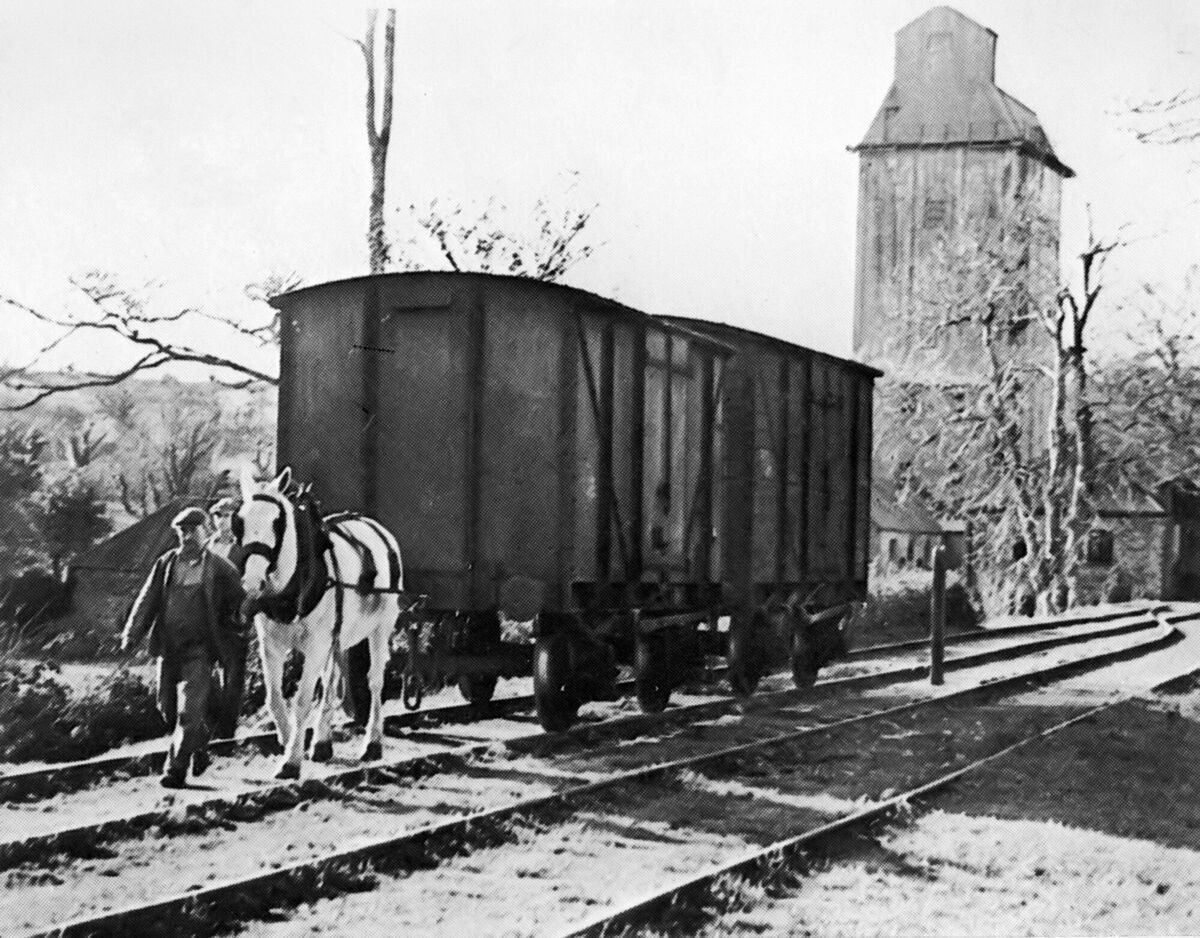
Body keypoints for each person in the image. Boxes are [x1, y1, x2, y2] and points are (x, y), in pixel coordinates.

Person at [121, 507, 246, 788]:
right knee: (166, 708)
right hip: (169, 649)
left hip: (200, 651)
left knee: (188, 711)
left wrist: (239, 620)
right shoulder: (166, 563)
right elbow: (147, 599)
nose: (187, 536)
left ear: (205, 531)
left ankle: (175, 769)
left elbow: (241, 604)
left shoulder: (220, 568)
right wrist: (132, 633)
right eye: (182, 531)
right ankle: (198, 746)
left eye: (193, 530)